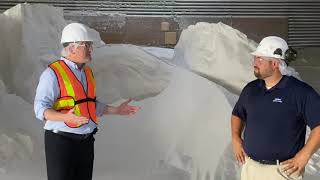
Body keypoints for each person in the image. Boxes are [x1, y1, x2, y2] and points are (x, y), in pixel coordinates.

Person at [34, 22, 140, 180]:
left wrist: (116, 110)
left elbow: (90, 105)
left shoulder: (87, 73)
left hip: (86, 143)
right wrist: (65, 117)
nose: (91, 49)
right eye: (87, 45)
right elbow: (40, 109)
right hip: (61, 143)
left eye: (91, 45)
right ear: (72, 48)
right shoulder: (52, 74)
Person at [231, 36, 320, 180]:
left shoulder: (300, 92)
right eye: (256, 58)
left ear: (274, 64)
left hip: (282, 172)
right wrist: (235, 137)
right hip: (250, 169)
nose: (255, 62)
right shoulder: (251, 89)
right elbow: (237, 114)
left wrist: (304, 155)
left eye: (260, 59)